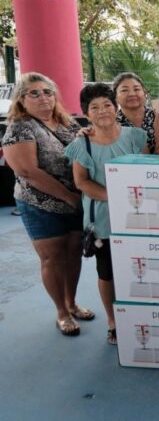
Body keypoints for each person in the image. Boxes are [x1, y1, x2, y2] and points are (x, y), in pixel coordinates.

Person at [1, 73, 92, 337]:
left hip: (75, 202)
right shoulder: (20, 127)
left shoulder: (66, 121)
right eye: (34, 93)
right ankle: (61, 313)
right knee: (53, 258)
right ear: (21, 99)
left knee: (74, 254)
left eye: (47, 92)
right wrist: (69, 196)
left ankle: (72, 304)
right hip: (40, 204)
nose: (43, 97)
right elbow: (28, 171)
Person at [65, 84, 147, 345]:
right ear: (86, 114)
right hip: (104, 219)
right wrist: (117, 195)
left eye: (107, 105)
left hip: (138, 217)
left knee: (138, 268)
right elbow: (82, 182)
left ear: (116, 107)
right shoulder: (82, 144)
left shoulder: (135, 136)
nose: (102, 112)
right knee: (107, 272)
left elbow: (145, 171)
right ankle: (113, 321)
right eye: (94, 108)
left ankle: (139, 316)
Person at [113, 72, 156, 154]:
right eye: (124, 90)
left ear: (145, 93)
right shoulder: (112, 123)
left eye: (136, 89)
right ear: (115, 97)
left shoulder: (158, 116)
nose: (132, 94)